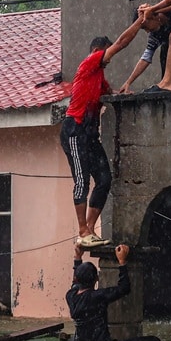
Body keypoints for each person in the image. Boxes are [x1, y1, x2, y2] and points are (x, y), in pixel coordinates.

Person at [60, 13, 148, 248]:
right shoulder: (90, 63)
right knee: (81, 180)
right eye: (106, 55)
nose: (108, 60)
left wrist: (126, 89)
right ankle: (81, 230)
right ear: (98, 51)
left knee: (104, 179)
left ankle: (89, 229)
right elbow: (120, 44)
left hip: (89, 135)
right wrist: (140, 23)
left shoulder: (99, 78)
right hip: (74, 130)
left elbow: (110, 95)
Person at [68, 243, 162, 341]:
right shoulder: (97, 297)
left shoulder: (71, 295)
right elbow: (124, 288)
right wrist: (122, 262)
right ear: (96, 279)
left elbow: (75, 283)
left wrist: (77, 258)